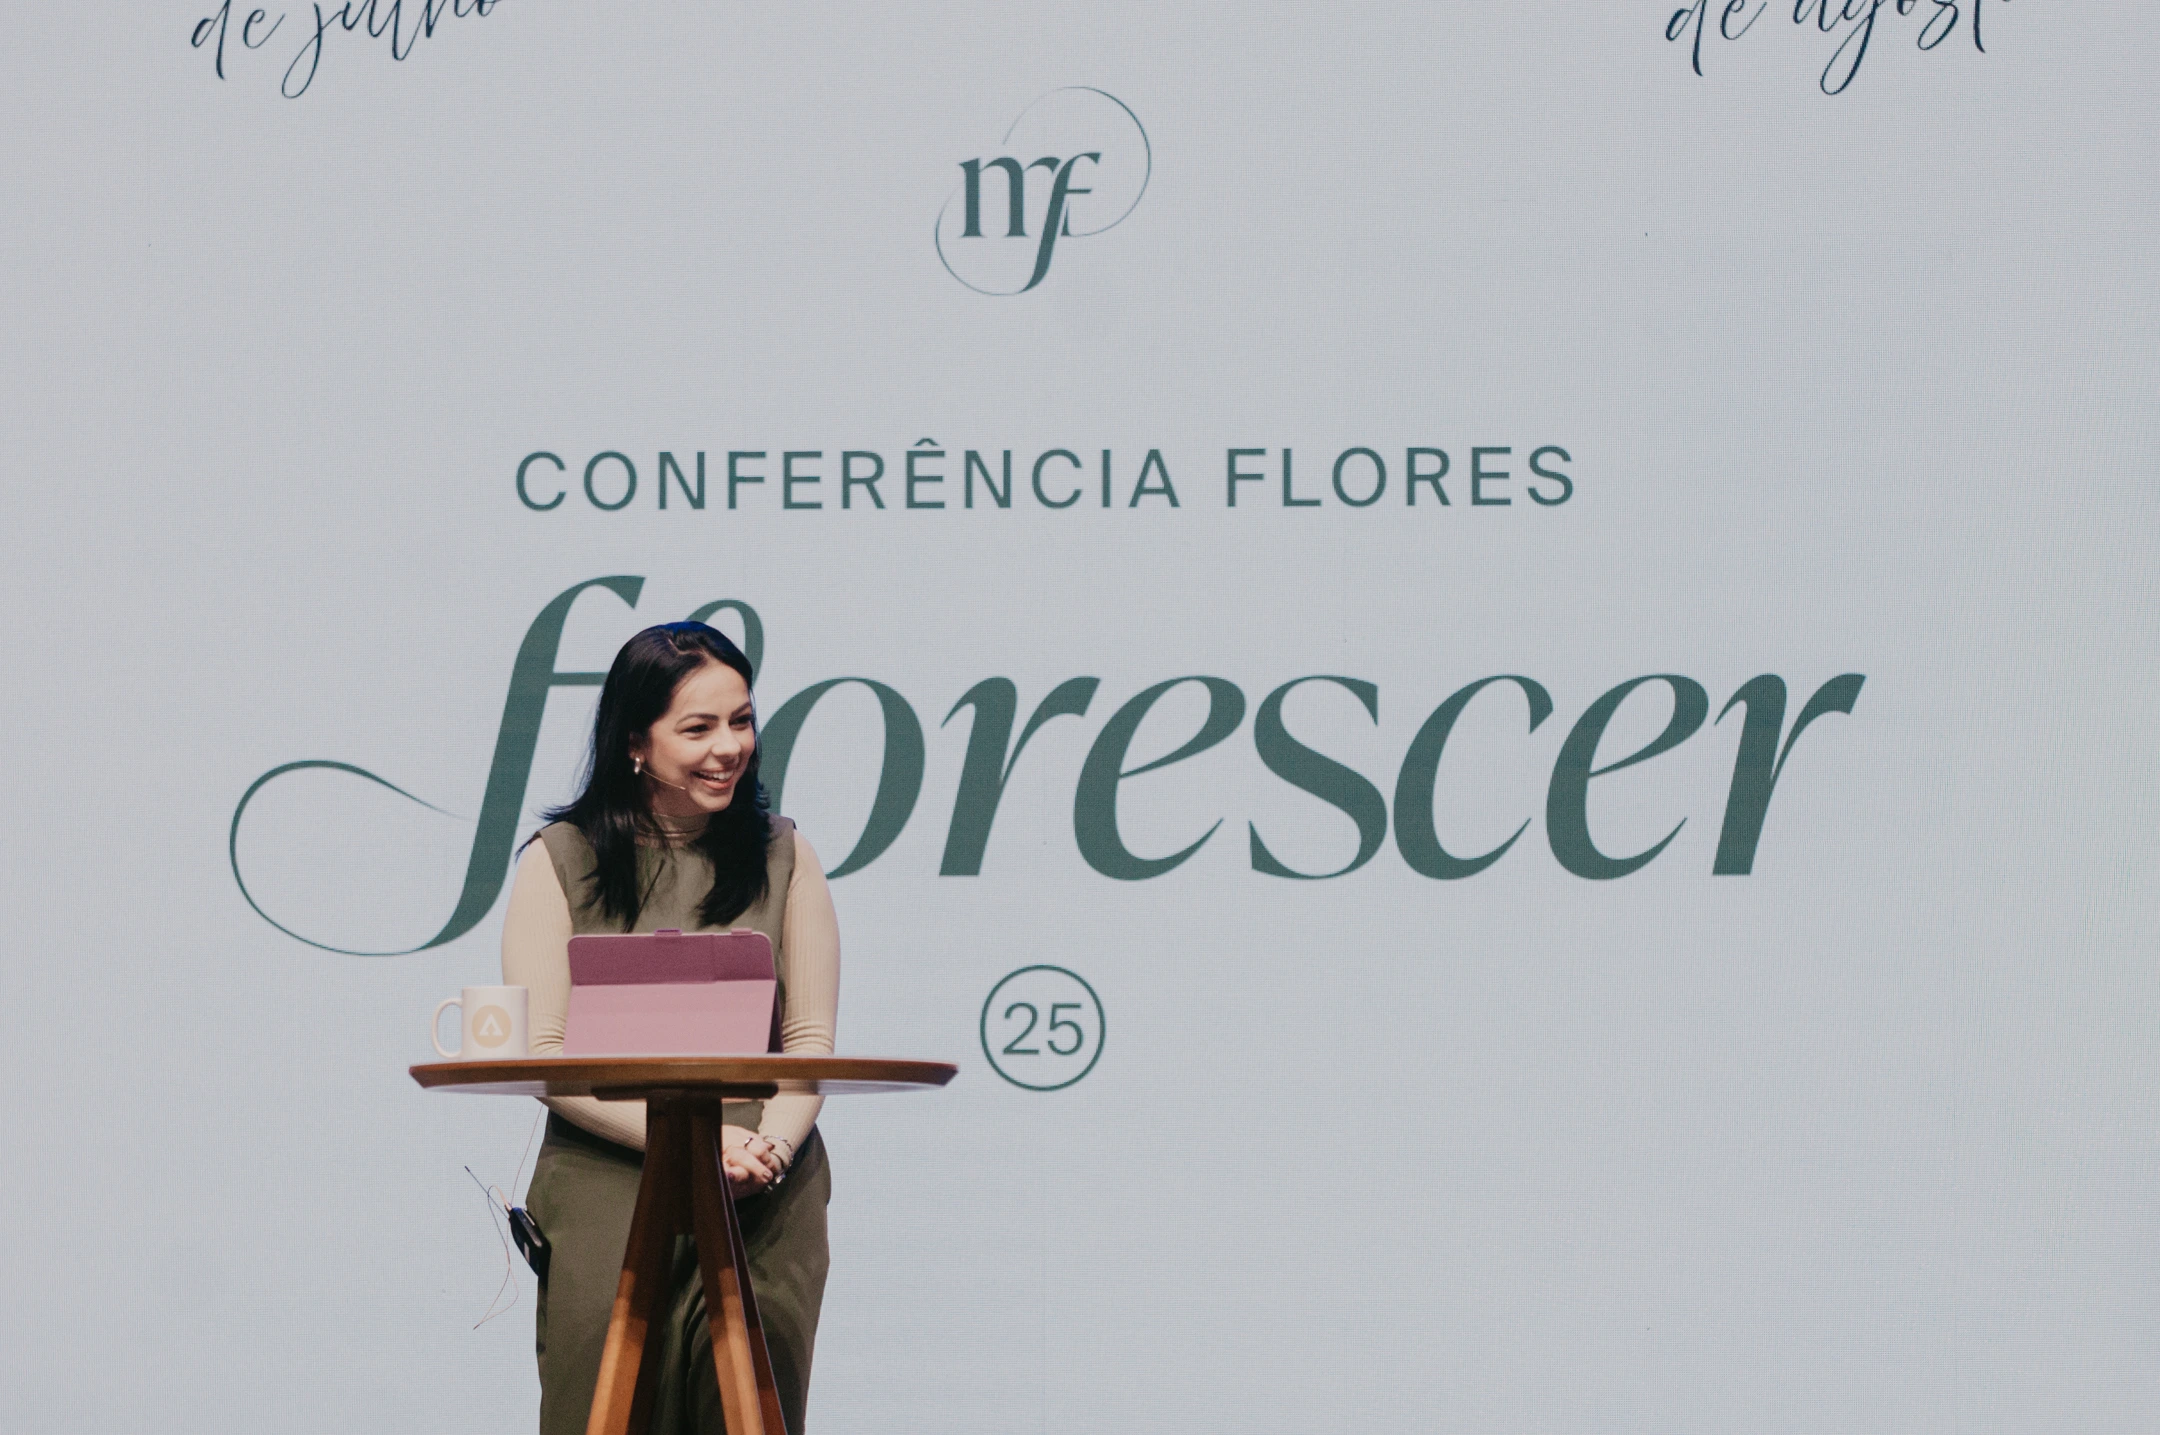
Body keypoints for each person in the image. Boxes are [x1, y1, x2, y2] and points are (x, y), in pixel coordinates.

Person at [501, 621, 840, 1435]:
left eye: (742, 720)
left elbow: (810, 1043)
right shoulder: (558, 859)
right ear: (634, 742)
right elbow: (545, 1056)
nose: (730, 747)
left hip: (760, 1183)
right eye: (699, 727)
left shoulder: (787, 855)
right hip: (607, 1179)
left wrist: (770, 1149)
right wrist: (690, 1143)